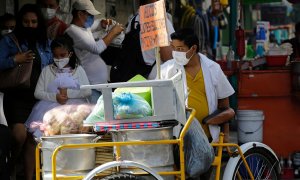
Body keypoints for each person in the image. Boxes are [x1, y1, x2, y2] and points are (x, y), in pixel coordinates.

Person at [0, 4, 52, 180]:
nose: (30, 25)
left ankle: (30, 177)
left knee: (32, 139)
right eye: (26, 22)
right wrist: (15, 59)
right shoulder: (9, 40)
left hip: (38, 98)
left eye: (34, 22)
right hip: (16, 97)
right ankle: (11, 165)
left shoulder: (44, 42)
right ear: (20, 22)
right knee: (19, 135)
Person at [160, 28, 235, 143]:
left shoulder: (213, 69)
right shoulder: (166, 70)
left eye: (180, 49)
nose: (175, 53)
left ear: (193, 48)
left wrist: (226, 136)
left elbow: (225, 107)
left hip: (207, 138)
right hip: (179, 138)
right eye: (173, 48)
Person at [25, 35, 91, 138]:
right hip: (48, 108)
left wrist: (67, 93)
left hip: (74, 109)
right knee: (46, 135)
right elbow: (37, 93)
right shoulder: (47, 70)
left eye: (62, 55)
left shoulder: (79, 70)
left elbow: (87, 91)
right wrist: (55, 97)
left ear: (70, 54)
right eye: (56, 56)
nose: (59, 59)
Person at [65, 0, 124, 104]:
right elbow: (97, 48)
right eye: (90, 15)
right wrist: (113, 32)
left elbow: (95, 25)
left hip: (99, 85)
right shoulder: (73, 31)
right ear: (80, 14)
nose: (92, 18)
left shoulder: (83, 27)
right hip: (91, 86)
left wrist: (102, 23)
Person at [127, 0, 175, 80]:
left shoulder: (133, 21)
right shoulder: (161, 21)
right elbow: (167, 57)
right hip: (156, 79)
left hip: (134, 77)